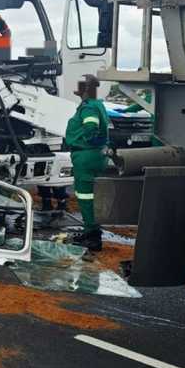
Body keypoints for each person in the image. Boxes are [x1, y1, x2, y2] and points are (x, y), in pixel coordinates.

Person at [65, 74, 110, 251]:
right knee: (93, 195)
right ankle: (91, 230)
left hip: (86, 156)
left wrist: (92, 143)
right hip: (94, 155)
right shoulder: (97, 104)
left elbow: (92, 128)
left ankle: (92, 236)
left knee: (85, 197)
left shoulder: (89, 107)